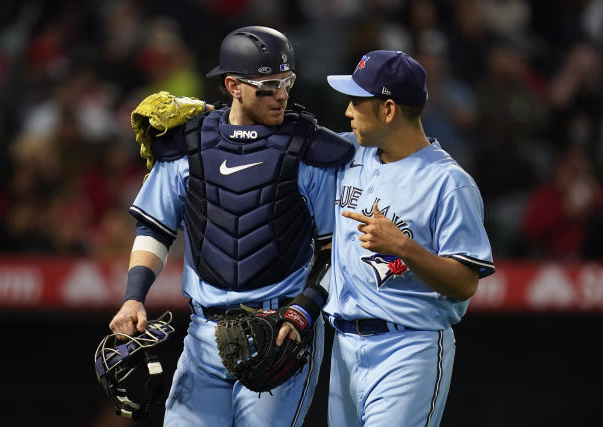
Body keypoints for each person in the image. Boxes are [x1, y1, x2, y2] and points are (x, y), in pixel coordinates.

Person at [107, 26, 353, 427]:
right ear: (233, 85)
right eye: (268, 86)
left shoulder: (308, 150)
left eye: (286, 83)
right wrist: (134, 297)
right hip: (204, 332)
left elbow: (333, 251)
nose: (282, 95)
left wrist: (304, 312)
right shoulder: (189, 144)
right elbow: (154, 230)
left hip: (280, 329)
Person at [323, 50, 495, 426]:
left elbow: (465, 283)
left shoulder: (449, 183)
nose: (348, 111)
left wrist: (403, 246)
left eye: (357, 101)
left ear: (388, 110)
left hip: (407, 348)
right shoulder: (349, 151)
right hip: (343, 348)